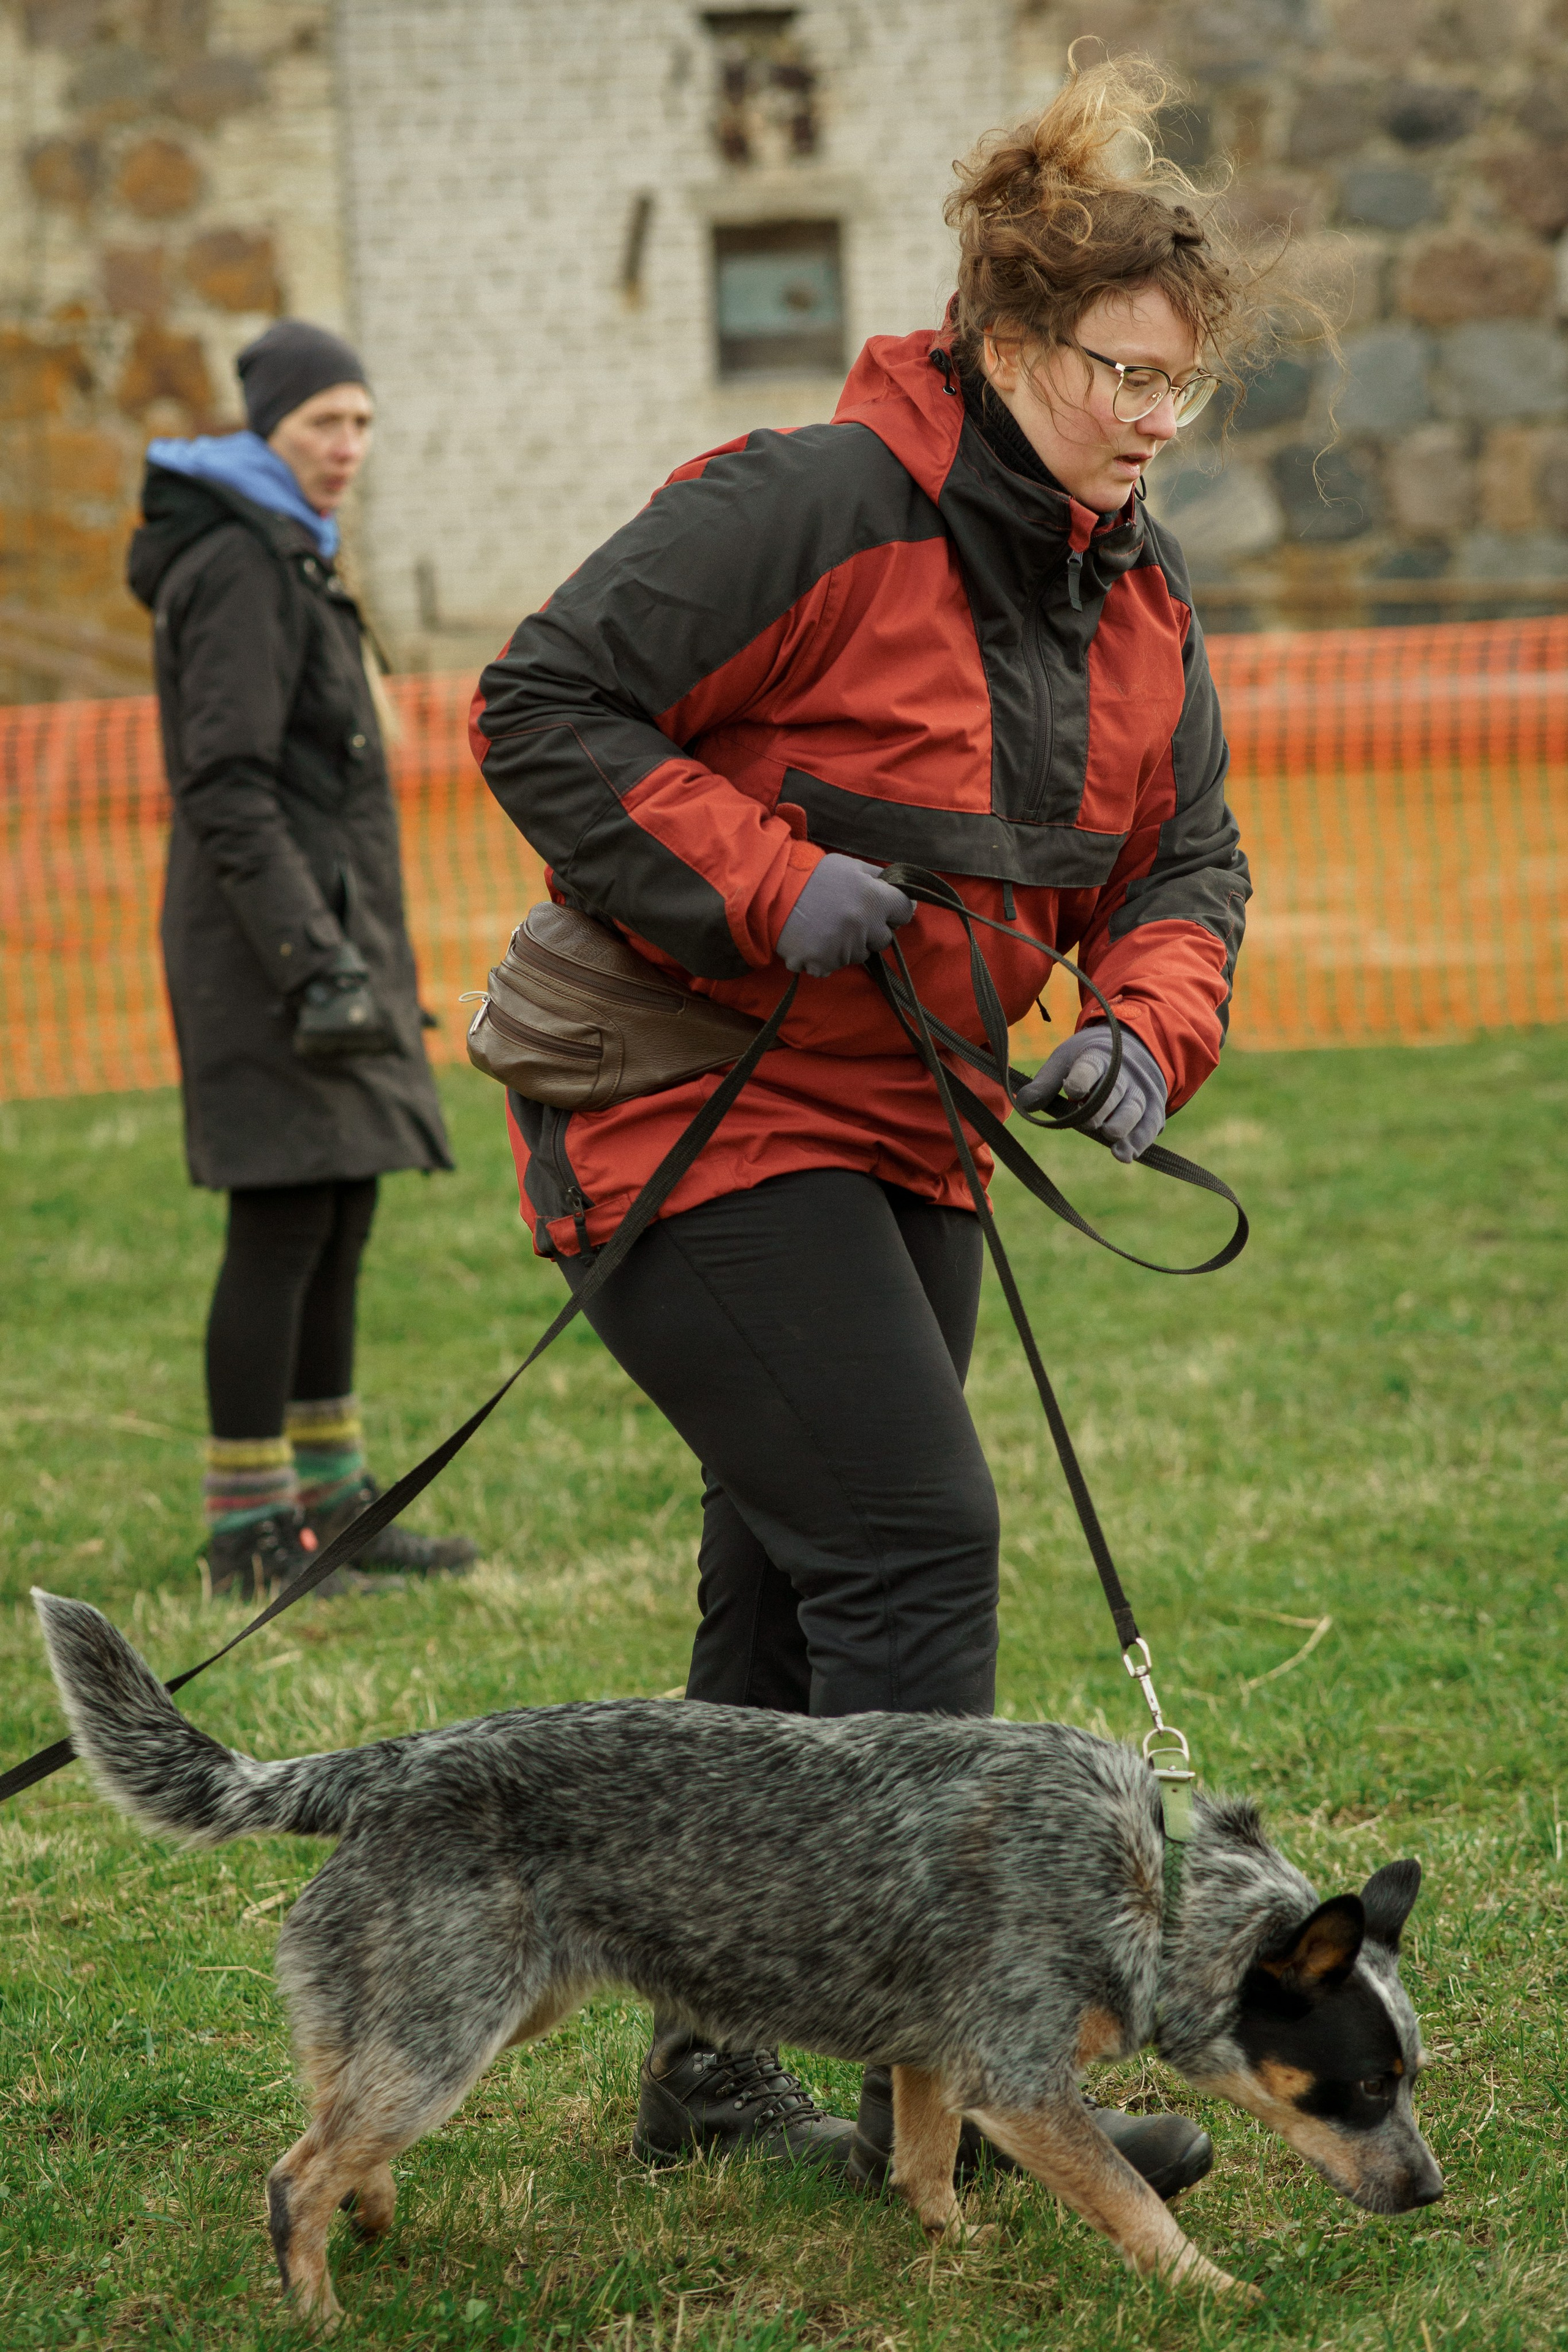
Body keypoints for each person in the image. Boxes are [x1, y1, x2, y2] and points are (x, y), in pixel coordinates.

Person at [473, 62, 1253, 2187]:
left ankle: (716, 2070)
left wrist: (1145, 1034)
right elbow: (542, 705)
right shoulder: (806, 500)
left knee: (799, 1585)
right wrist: (761, 874)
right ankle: (973, 2097)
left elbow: (1183, 867)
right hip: (674, 1089)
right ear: (1008, 346)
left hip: (902, 1124)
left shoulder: (1138, 602)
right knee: (913, 1546)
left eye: (1182, 385)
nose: (1151, 417)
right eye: (1119, 373)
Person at [128, 319, 478, 1600]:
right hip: (267, 951)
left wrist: (349, 956)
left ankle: (334, 1508)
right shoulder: (235, 562)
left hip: (329, 942)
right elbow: (224, 782)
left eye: (361, 422)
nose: (347, 447)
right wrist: (308, 961)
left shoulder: (294, 552)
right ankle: (247, 1531)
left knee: (340, 1207)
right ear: (266, 431)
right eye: (321, 424)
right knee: (281, 1221)